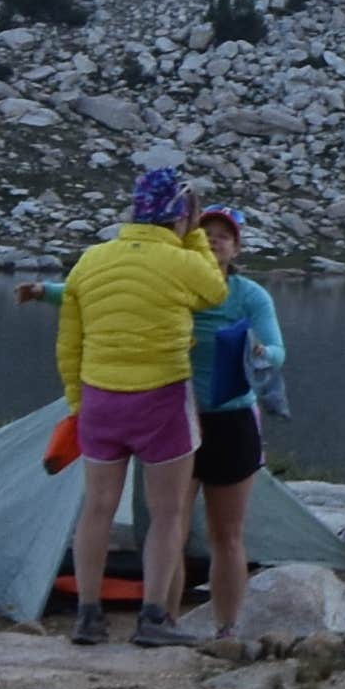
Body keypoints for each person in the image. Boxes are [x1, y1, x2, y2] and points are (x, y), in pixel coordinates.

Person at [53, 167, 219, 648]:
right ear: (180, 215)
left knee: (98, 508)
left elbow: (70, 340)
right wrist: (194, 239)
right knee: (167, 513)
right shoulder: (181, 260)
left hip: (100, 398)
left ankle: (88, 617)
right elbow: (215, 290)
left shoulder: (90, 260)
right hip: (161, 397)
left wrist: (76, 403)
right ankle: (153, 619)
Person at [179, 204, 288, 636]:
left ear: (236, 246)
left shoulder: (249, 295)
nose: (214, 240)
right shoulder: (177, 288)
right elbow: (103, 290)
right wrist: (48, 291)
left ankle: (227, 627)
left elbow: (279, 352)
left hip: (231, 420)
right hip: (177, 417)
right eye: (206, 232)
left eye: (224, 235)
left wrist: (262, 352)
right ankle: (162, 622)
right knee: (172, 532)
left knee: (227, 534)